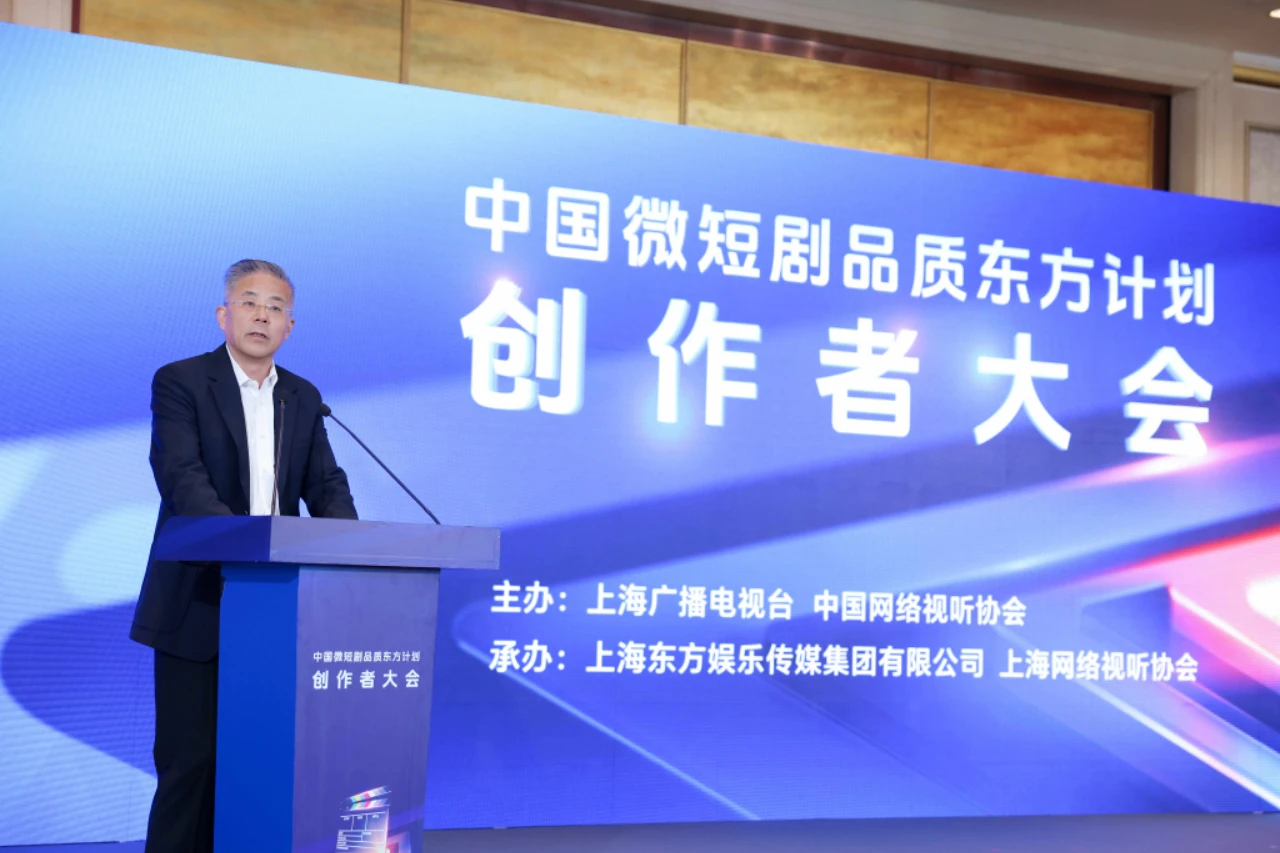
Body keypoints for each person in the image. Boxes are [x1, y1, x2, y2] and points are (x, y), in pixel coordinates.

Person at [130, 259, 357, 853]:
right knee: (190, 768)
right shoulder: (181, 381)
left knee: (264, 769)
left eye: (276, 307)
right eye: (250, 302)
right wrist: (247, 550)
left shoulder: (302, 397)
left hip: (281, 612)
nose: (262, 315)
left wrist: (354, 551)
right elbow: (182, 478)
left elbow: (326, 486)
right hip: (200, 602)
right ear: (223, 314)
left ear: (290, 326)